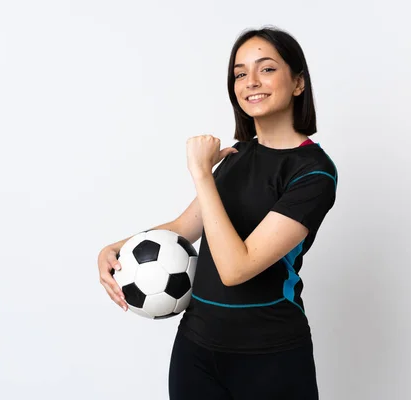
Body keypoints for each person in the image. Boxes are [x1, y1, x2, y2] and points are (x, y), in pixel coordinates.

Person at [97, 26, 338, 400]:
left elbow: (236, 268)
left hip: (271, 357)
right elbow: (183, 227)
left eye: (267, 68)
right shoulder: (236, 156)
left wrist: (200, 174)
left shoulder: (313, 172)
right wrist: (113, 248)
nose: (251, 82)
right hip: (196, 350)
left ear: (298, 83)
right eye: (240, 73)